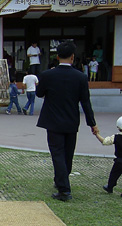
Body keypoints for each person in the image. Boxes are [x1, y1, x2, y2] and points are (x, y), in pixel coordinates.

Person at [36, 41, 99, 201]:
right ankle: (61, 181)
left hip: (53, 121)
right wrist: (92, 123)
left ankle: (64, 190)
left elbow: (39, 94)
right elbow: (86, 102)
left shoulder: (47, 75)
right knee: (67, 155)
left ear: (57, 57)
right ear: (73, 57)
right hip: (71, 121)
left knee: (57, 154)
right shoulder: (81, 77)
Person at [95, 116, 122, 196]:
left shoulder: (116, 137)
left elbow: (104, 141)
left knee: (114, 174)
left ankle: (110, 186)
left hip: (119, 161)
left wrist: (97, 134)